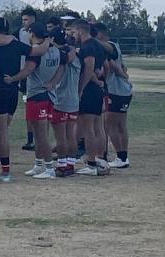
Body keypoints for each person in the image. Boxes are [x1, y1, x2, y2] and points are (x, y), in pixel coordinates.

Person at [0, 18, 33, 182]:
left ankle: (6, 171)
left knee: (1, 135)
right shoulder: (16, 44)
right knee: (1, 133)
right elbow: (35, 52)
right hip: (12, 92)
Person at [12, 22, 59, 179]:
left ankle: (49, 167)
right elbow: (64, 65)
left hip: (37, 95)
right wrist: (53, 81)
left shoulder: (35, 53)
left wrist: (12, 79)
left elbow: (27, 70)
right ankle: (39, 165)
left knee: (41, 135)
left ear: (32, 35)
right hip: (48, 95)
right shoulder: (55, 50)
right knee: (39, 134)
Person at [72, 19, 110, 176]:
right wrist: (102, 81)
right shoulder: (98, 45)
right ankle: (101, 159)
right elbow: (104, 67)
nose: (73, 35)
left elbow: (89, 68)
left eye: (74, 32)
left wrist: (80, 89)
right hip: (97, 89)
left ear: (80, 31)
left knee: (88, 128)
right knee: (97, 126)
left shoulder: (87, 47)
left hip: (89, 90)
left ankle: (92, 163)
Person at [94, 23, 132, 169]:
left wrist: (122, 74)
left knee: (109, 125)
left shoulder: (109, 46)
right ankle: (123, 157)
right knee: (121, 125)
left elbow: (113, 66)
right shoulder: (116, 45)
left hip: (116, 90)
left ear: (100, 34)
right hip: (123, 90)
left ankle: (119, 156)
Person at [47, 35, 81, 177]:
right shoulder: (77, 59)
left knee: (60, 136)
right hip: (73, 101)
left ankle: (61, 165)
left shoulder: (61, 58)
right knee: (70, 135)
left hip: (60, 100)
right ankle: (70, 164)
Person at [19, 6, 37, 151]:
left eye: (26, 20)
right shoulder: (20, 32)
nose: (24, 23)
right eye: (22, 20)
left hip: (37, 74)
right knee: (28, 107)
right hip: (24, 74)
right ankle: (30, 138)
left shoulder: (40, 32)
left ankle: (38, 138)